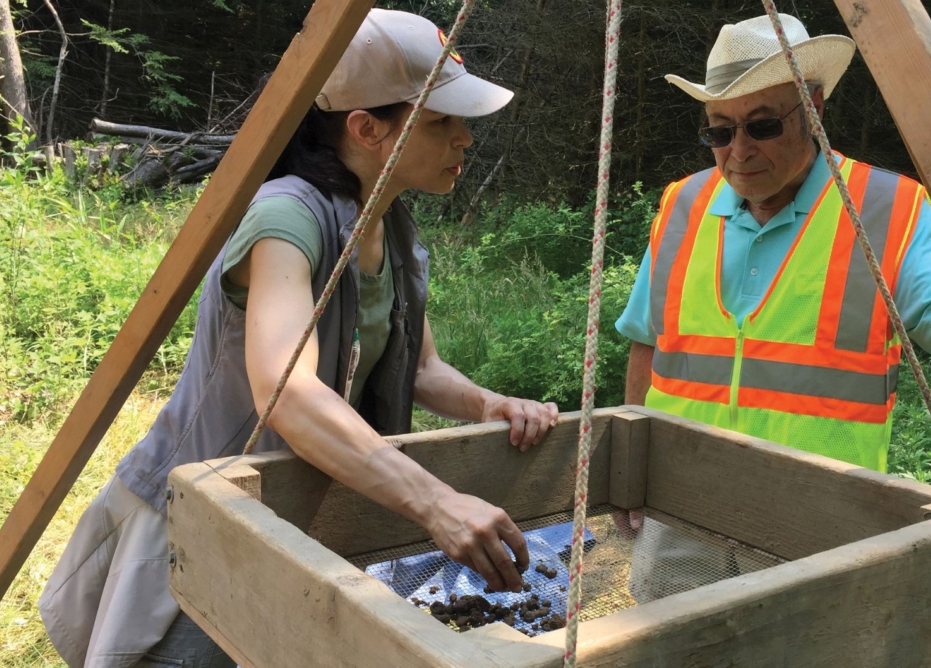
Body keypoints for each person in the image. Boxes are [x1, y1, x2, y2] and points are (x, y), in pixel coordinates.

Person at [39, 9, 558, 667]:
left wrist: (488, 405)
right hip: (209, 521)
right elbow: (284, 391)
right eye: (440, 121)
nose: (465, 138)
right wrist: (436, 501)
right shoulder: (287, 216)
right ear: (368, 129)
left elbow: (419, 369)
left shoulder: (388, 224)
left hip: (305, 519)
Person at [616, 12, 931, 476]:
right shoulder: (682, 203)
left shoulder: (884, 208)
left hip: (822, 518)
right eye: (719, 131)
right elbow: (647, 342)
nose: (738, 151)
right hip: (677, 501)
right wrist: (631, 465)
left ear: (813, 106)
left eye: (762, 126)